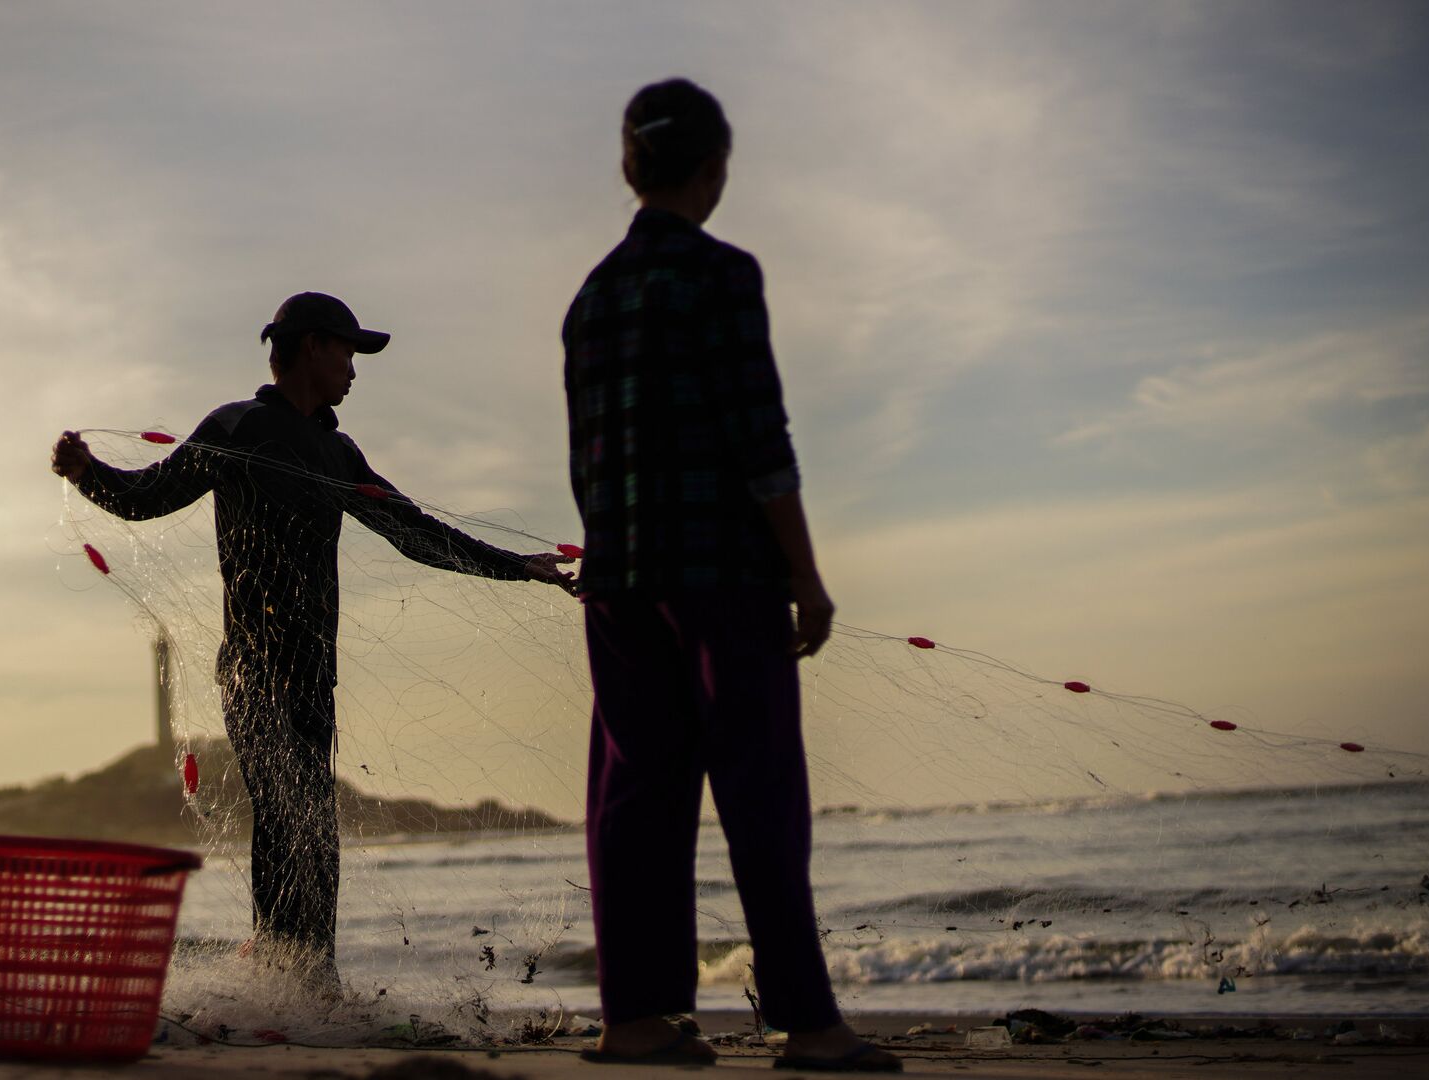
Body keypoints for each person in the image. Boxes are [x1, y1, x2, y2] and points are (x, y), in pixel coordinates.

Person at [51, 292, 575, 990]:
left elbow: (413, 532)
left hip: (312, 671)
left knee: (312, 825)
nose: (354, 370)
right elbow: (147, 496)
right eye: (348, 352)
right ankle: (287, 974)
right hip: (250, 668)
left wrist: (517, 567)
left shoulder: (336, 449)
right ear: (310, 348)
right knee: (286, 813)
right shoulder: (235, 427)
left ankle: (307, 976)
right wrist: (87, 474)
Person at [562, 79, 901, 1071]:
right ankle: (805, 1023)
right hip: (720, 574)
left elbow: (588, 460)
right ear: (715, 169)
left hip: (619, 581)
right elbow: (761, 436)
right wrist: (806, 573)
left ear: (631, 166)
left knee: (636, 799)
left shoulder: (590, 298)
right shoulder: (723, 276)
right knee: (759, 790)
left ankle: (635, 1019)